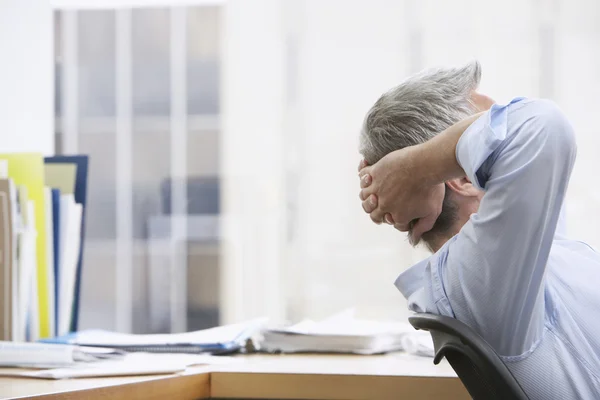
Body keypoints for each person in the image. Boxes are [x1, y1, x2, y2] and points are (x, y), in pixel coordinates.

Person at [357, 61, 600, 399]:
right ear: (464, 178)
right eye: (483, 125)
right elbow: (542, 126)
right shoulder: (480, 277)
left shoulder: (520, 262)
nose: (499, 118)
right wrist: (415, 169)